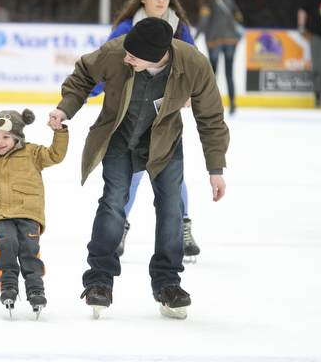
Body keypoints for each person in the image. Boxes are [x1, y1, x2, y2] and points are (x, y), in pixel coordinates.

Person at [48, 17, 229, 320]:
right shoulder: (116, 52)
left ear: (159, 55)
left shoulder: (194, 65)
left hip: (165, 142)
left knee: (172, 206)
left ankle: (168, 282)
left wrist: (216, 168)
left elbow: (211, 117)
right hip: (119, 137)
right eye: (127, 52)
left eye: (134, 56)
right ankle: (99, 280)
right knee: (114, 201)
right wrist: (65, 107)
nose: (126, 58)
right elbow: (83, 75)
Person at [88, 0, 199, 262]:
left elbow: (194, 64)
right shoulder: (127, 26)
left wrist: (191, 90)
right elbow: (106, 62)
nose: (162, 0)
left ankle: (183, 225)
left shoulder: (178, 26)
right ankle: (118, 227)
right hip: (131, 109)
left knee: (171, 173)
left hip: (163, 112)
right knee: (133, 173)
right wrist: (89, 89)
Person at [0, 109, 68, 318]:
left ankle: (35, 289)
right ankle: (8, 286)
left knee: (29, 249)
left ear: (16, 136)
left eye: (6, 136)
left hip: (29, 212)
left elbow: (56, 155)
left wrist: (59, 133)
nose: (0, 142)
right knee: (6, 245)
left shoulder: (32, 152)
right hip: (0, 215)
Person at [195, 0, 244, 115]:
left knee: (212, 75)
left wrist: (196, 37)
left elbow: (203, 23)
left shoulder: (207, 3)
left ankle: (210, 104)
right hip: (230, 41)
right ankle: (233, 104)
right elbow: (239, 18)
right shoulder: (228, 1)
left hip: (214, 41)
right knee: (229, 73)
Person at [297, 0, 321, 108]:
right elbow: (303, 9)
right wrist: (301, 25)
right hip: (317, 35)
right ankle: (317, 95)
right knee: (318, 67)